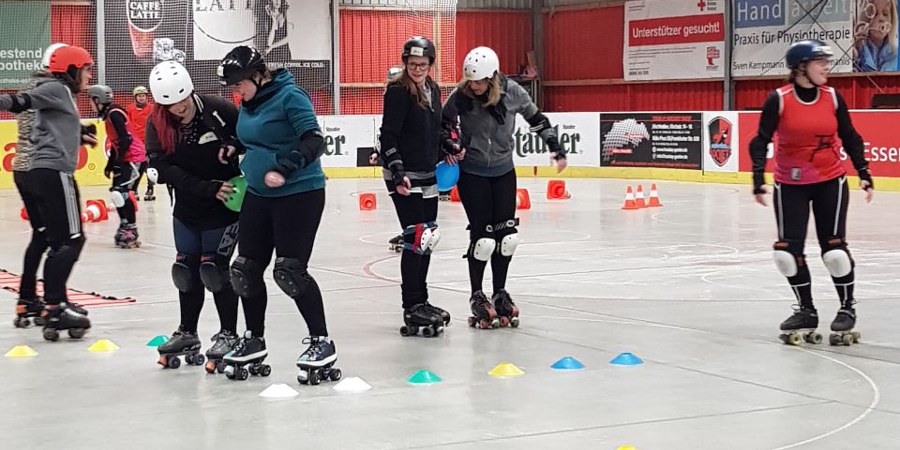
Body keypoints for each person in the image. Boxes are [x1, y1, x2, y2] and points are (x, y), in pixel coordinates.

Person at [218, 46, 339, 384]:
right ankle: (253, 338)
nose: (236, 91)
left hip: (299, 193)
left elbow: (314, 141)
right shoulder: (250, 102)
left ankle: (322, 342)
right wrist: (235, 147)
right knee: (245, 270)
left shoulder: (291, 97)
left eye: (239, 84)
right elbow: (256, 139)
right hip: (258, 194)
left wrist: (286, 166)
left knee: (290, 271)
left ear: (259, 75)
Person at [749, 40, 873, 346]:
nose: (827, 67)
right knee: (786, 254)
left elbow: (850, 136)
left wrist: (864, 172)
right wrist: (757, 177)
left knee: (833, 251)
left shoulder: (832, 97)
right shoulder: (779, 99)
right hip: (789, 185)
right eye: (820, 62)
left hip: (831, 181)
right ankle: (806, 310)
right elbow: (760, 139)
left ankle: (847, 308)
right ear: (801, 67)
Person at [442, 46, 567, 329]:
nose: (474, 86)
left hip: (503, 171)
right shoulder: (462, 95)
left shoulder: (513, 93)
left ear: (492, 77)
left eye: (479, 82)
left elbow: (537, 119)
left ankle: (499, 292)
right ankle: (476, 294)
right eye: (470, 81)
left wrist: (556, 148)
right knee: (483, 239)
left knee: (507, 237)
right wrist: (450, 143)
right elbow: (444, 121)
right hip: (472, 172)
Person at [145, 60, 245, 372]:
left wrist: (232, 144)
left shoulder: (217, 109)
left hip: (224, 204)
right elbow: (163, 169)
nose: (180, 108)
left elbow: (248, 136)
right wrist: (205, 188)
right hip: (189, 205)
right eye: (171, 105)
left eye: (183, 100)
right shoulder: (157, 123)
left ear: (190, 91)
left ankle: (229, 334)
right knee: (185, 270)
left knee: (214, 270)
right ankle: (188, 332)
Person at [0, 45, 96, 341]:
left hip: (39, 171)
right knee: (72, 239)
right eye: (86, 70)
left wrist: (79, 133)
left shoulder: (58, 92)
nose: (90, 76)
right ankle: (54, 306)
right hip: (52, 171)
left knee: (54, 240)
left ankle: (49, 303)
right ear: (70, 70)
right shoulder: (54, 87)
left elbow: (50, 122)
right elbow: (21, 101)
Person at [379, 37, 453, 337]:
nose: (417, 69)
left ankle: (422, 299)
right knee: (415, 239)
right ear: (405, 64)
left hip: (427, 173)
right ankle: (411, 305)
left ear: (430, 65)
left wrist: (447, 146)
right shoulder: (398, 91)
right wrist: (397, 174)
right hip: (405, 175)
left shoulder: (433, 90)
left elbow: (433, 130)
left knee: (428, 238)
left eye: (422, 65)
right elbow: (388, 136)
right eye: (412, 65)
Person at [87, 84, 146, 249]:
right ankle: (125, 225)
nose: (90, 105)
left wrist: (119, 162)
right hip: (126, 158)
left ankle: (131, 229)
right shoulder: (110, 115)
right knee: (116, 193)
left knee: (123, 193)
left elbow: (126, 140)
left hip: (135, 158)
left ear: (98, 100)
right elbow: (116, 144)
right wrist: (110, 164)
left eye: (92, 101)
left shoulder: (114, 114)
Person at [127, 85, 157, 200]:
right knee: (136, 167)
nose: (141, 98)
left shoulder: (151, 108)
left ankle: (150, 189)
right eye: (139, 96)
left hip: (149, 142)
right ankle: (134, 189)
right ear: (135, 97)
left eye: (143, 96)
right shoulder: (130, 109)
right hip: (136, 143)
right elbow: (128, 123)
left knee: (149, 167)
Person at [854, 0, 898, 71]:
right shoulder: (857, 50)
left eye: (885, 14)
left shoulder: (896, 53)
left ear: (892, 19)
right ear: (866, 18)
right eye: (875, 14)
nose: (881, 19)